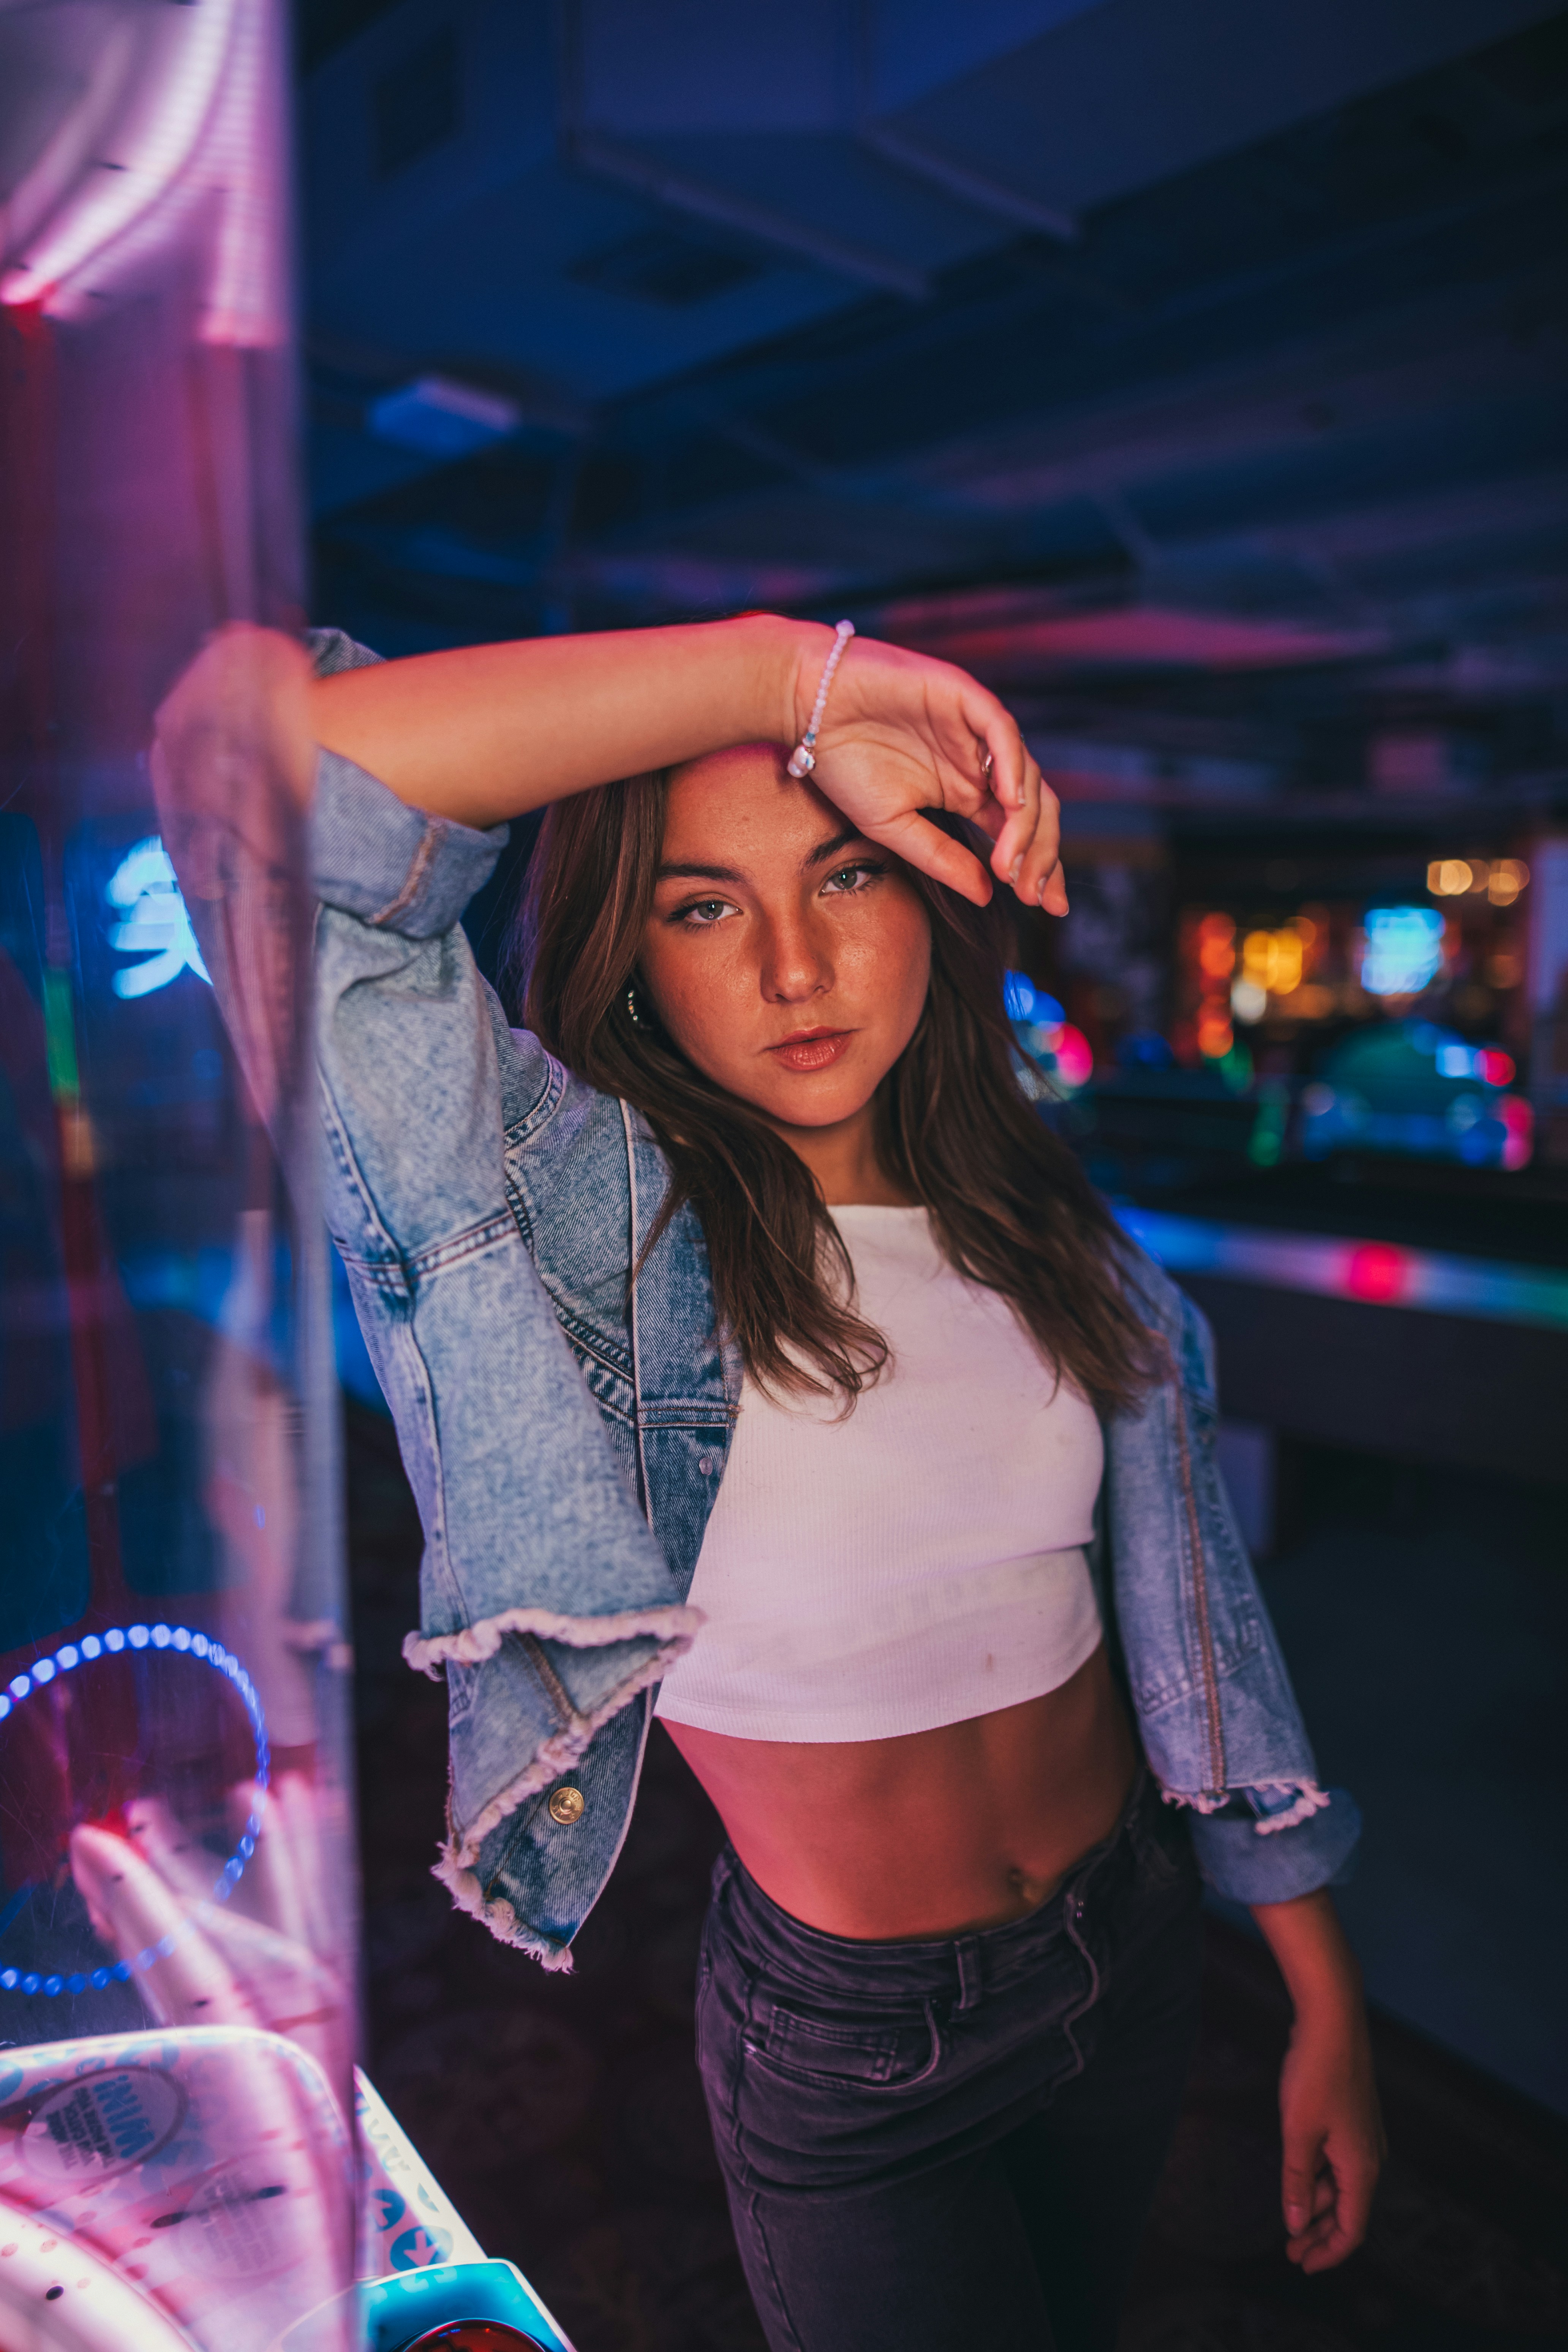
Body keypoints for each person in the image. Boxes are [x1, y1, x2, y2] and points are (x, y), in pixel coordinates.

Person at [156, 613, 1383, 2352]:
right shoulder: (592, 1226)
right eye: (704, 905)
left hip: (1134, 1945)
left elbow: (1199, 1627)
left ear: (927, 903)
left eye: (847, 881)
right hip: (859, 2048)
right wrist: (789, 679)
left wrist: (1320, 1987)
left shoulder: (1052, 1237)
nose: (797, 967)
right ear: (631, 955)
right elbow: (264, 793)